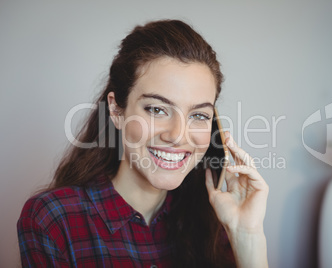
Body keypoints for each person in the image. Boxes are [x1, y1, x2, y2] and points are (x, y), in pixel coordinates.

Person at [17, 19, 269, 268]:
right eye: (157, 109)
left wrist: (247, 235)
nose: (178, 135)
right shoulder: (53, 219)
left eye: (199, 115)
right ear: (116, 111)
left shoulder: (214, 223)